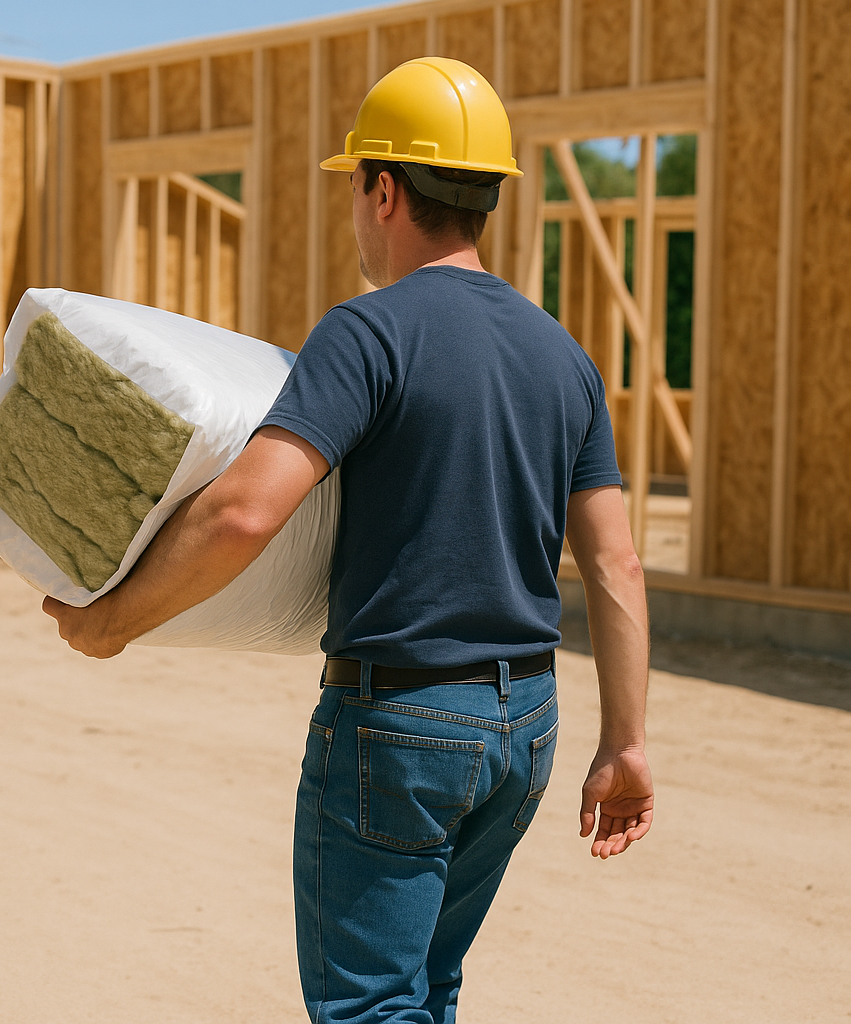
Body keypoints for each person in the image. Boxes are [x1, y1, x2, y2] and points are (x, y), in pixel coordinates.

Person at [45, 56, 653, 1024]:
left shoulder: (368, 334)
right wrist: (623, 740)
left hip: (401, 728)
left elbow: (245, 509)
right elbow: (615, 562)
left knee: (371, 1007)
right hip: (524, 725)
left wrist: (114, 620)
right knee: (426, 989)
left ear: (383, 189)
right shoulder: (565, 357)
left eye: (355, 188)